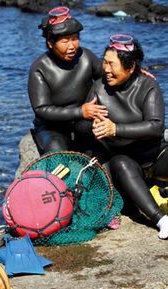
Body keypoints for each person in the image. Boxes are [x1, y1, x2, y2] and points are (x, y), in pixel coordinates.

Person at [76, 34, 168, 239]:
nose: (106, 69)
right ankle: (161, 220)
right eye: (104, 62)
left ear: (131, 67)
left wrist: (115, 129)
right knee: (120, 162)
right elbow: (80, 125)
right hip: (128, 163)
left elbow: (155, 126)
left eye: (112, 64)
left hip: (157, 154)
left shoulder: (148, 86)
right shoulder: (99, 87)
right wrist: (92, 123)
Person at [28, 6, 108, 154]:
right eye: (65, 41)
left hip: (83, 122)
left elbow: (108, 76)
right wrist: (80, 111)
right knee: (57, 149)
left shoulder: (86, 57)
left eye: (75, 39)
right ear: (50, 43)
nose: (72, 46)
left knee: (104, 143)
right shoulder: (39, 68)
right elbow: (42, 109)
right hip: (52, 128)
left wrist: (133, 73)